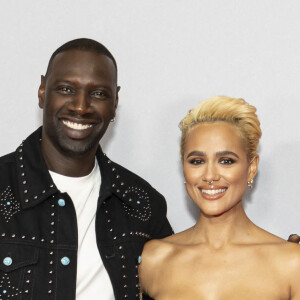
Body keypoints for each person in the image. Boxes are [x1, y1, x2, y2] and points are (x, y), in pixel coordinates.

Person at [0, 38, 173, 300]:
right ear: (42, 91)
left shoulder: (143, 204)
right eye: (66, 89)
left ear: (115, 103)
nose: (81, 106)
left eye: (99, 94)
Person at [139, 96, 300, 299]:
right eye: (197, 161)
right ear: (184, 168)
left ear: (251, 168)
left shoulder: (291, 263)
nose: (210, 176)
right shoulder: (152, 259)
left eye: (226, 160)